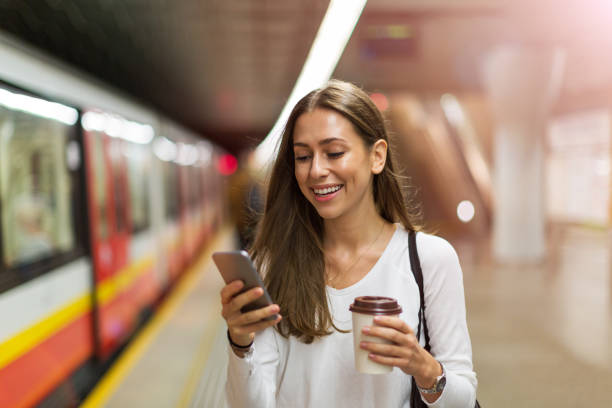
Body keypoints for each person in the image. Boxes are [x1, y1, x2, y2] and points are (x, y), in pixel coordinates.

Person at [220, 80, 477, 407]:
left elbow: (463, 400)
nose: (316, 171)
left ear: (377, 157)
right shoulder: (272, 264)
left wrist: (423, 367)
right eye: (302, 156)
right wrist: (241, 342)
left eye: (334, 152)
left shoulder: (428, 260)